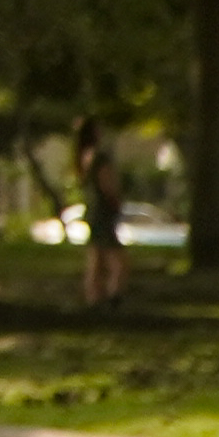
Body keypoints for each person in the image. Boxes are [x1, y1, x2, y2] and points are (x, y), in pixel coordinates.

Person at [75, 121, 131, 308]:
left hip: (94, 211)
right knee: (118, 260)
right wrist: (117, 199)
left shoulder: (83, 157)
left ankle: (94, 298)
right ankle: (114, 295)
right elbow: (108, 184)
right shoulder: (100, 158)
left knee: (96, 257)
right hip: (104, 213)